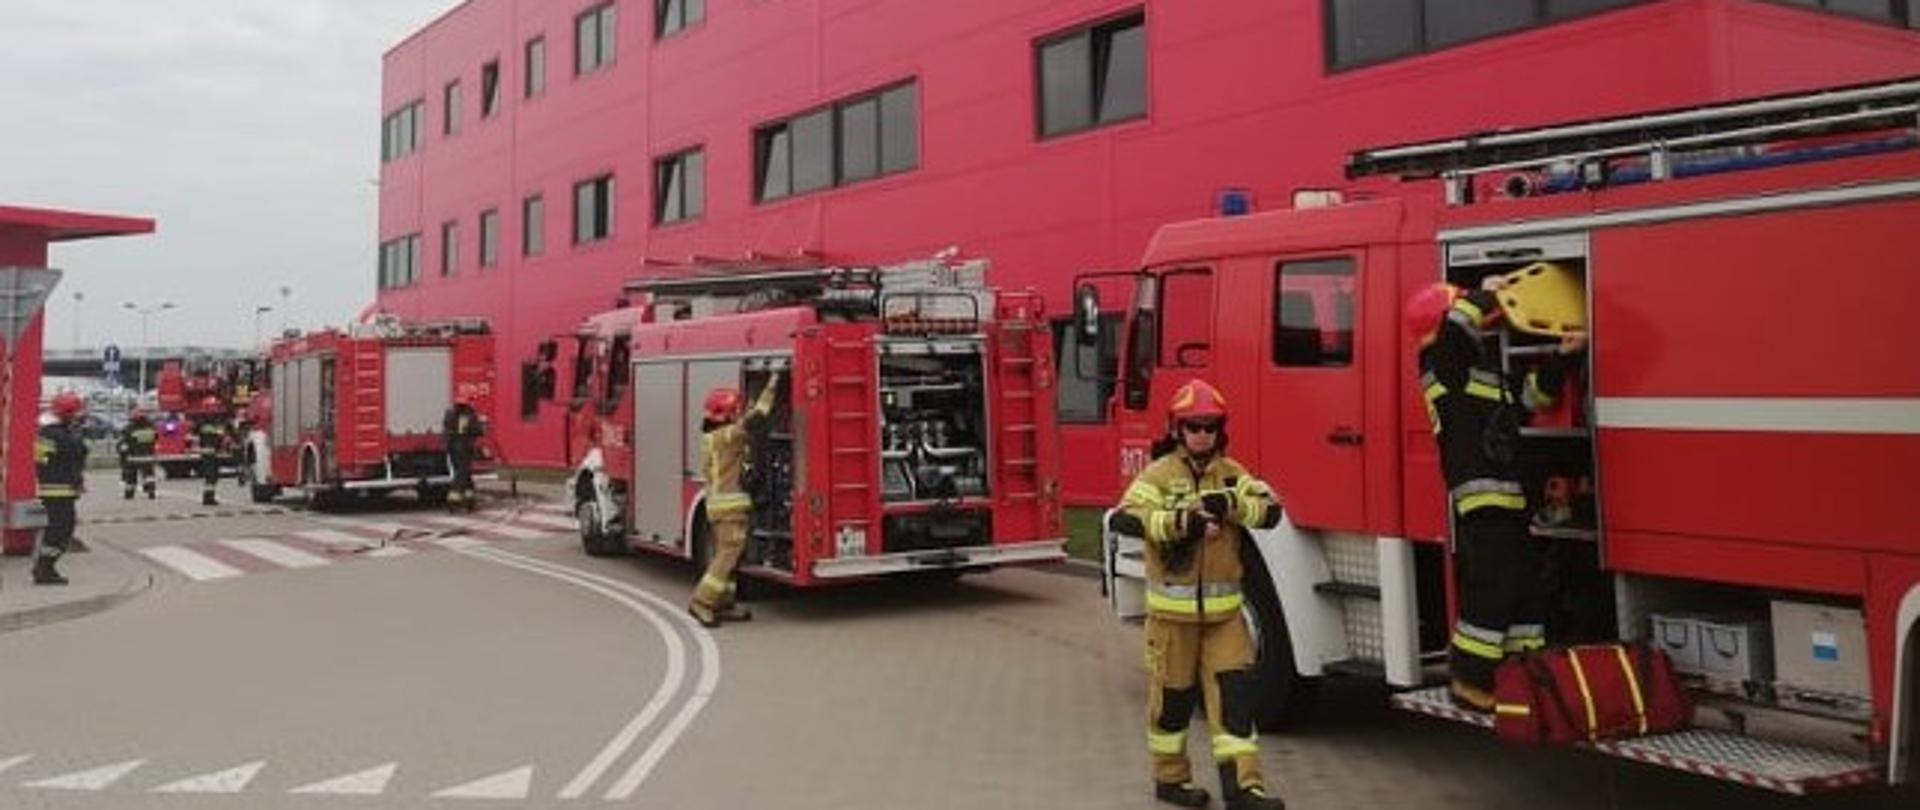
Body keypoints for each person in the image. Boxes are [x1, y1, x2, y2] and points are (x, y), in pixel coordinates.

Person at [1406, 273, 1587, 712]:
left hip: (1510, 498)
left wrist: (1563, 360)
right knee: (1494, 588)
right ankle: (1468, 679)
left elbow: (1530, 398)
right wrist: (1492, 290)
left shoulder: (1478, 371)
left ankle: (1524, 669)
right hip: (1483, 498)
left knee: (1526, 586)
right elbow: (1458, 324)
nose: (1489, 321)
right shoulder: (1442, 360)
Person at [1116, 379, 1285, 810]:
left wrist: (1231, 506)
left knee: (1235, 706)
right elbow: (1126, 518)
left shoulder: (1233, 475)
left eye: (1210, 426)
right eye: (1194, 426)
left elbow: (1271, 511)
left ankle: (1244, 790)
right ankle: (1170, 781)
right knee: (1172, 706)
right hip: (1172, 623)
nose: (1202, 434)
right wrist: (1180, 523)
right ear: (1177, 428)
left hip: (1225, 619)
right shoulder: (1158, 475)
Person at [688, 372, 782, 629]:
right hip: (728, 507)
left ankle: (724, 602)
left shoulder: (714, 437)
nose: (737, 414)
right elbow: (758, 417)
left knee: (728, 554)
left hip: (721, 505)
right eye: (735, 411)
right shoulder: (727, 436)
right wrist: (772, 384)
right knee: (727, 555)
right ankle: (702, 602)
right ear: (727, 415)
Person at [34, 392, 90, 586]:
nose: (78, 416)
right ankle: (44, 568)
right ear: (67, 413)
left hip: (54, 487)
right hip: (59, 488)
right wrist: (77, 431)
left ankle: (44, 567)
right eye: (75, 413)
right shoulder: (60, 434)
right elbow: (79, 451)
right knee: (61, 530)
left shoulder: (47, 432)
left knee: (59, 528)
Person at [442, 391, 485, 512]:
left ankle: (469, 499)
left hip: (452, 447)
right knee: (462, 472)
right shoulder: (466, 414)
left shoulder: (449, 413)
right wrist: (480, 427)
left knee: (463, 472)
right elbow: (472, 430)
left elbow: (447, 429)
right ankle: (454, 499)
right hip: (463, 446)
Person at [194, 396, 233, 507]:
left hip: (215, 453)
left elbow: (230, 432)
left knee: (213, 475)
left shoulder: (217, 421)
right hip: (209, 453)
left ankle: (209, 496)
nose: (214, 412)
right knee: (211, 475)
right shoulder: (205, 422)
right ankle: (208, 498)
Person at [118, 408, 159, 500]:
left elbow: (124, 443)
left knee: (130, 476)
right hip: (148, 456)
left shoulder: (129, 428)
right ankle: (151, 491)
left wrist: (123, 456)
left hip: (133, 457)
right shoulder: (151, 427)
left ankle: (129, 493)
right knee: (149, 475)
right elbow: (156, 438)